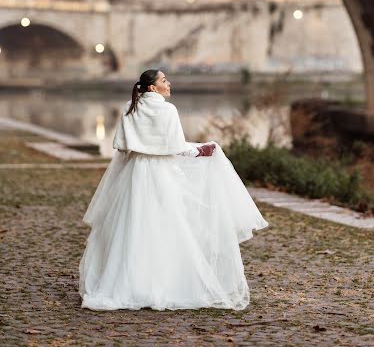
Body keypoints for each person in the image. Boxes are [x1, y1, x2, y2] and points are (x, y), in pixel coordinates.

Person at [79, 69, 269, 311]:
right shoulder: (168, 110)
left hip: (134, 173)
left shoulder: (130, 107)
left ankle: (126, 281)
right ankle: (162, 282)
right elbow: (176, 148)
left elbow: (122, 146)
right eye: (164, 81)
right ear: (152, 88)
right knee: (164, 226)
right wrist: (203, 150)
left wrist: (147, 148)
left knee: (132, 226)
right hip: (160, 175)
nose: (169, 84)